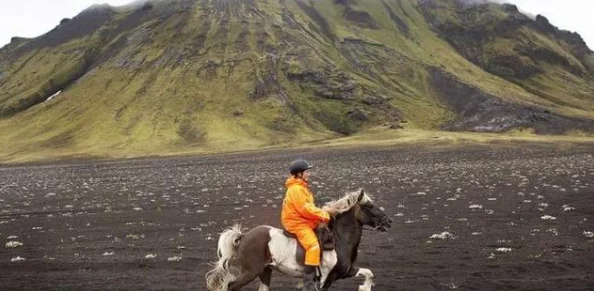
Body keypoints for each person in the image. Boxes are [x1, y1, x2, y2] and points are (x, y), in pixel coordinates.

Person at [281, 158, 335, 290]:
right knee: (313, 247)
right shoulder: (296, 189)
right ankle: (308, 285)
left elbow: (309, 208)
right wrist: (323, 214)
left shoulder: (302, 187)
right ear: (299, 173)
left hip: (303, 220)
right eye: (306, 172)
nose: (309, 174)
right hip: (296, 223)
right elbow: (305, 209)